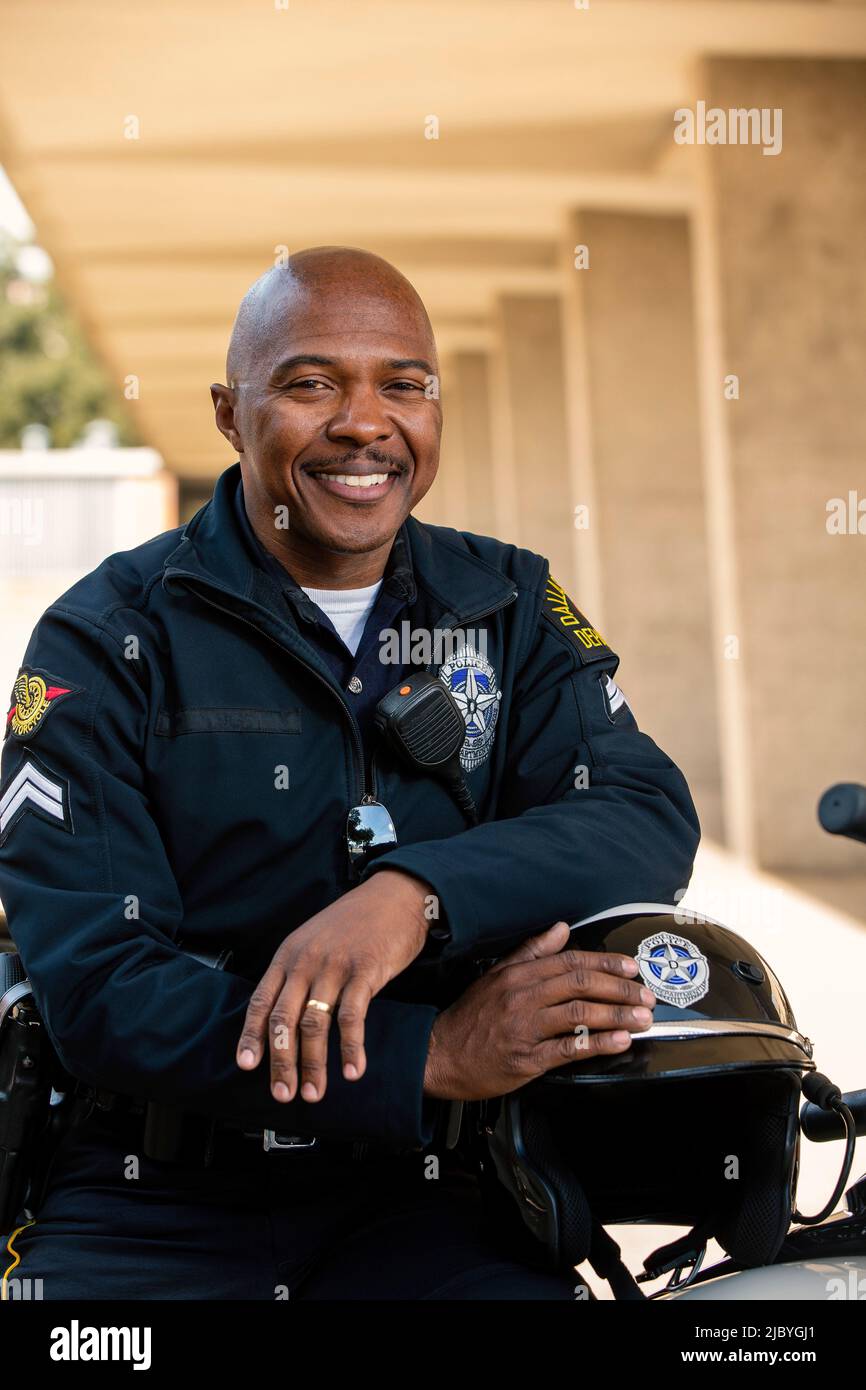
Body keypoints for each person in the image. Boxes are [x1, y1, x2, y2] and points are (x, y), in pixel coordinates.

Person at [0, 247, 699, 1299]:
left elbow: (640, 811)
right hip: (156, 1200)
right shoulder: (106, 636)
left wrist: (417, 897)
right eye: (310, 384)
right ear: (230, 415)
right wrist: (430, 1054)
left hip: (436, 1193)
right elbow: (101, 986)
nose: (365, 424)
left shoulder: (506, 604)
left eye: (403, 386)